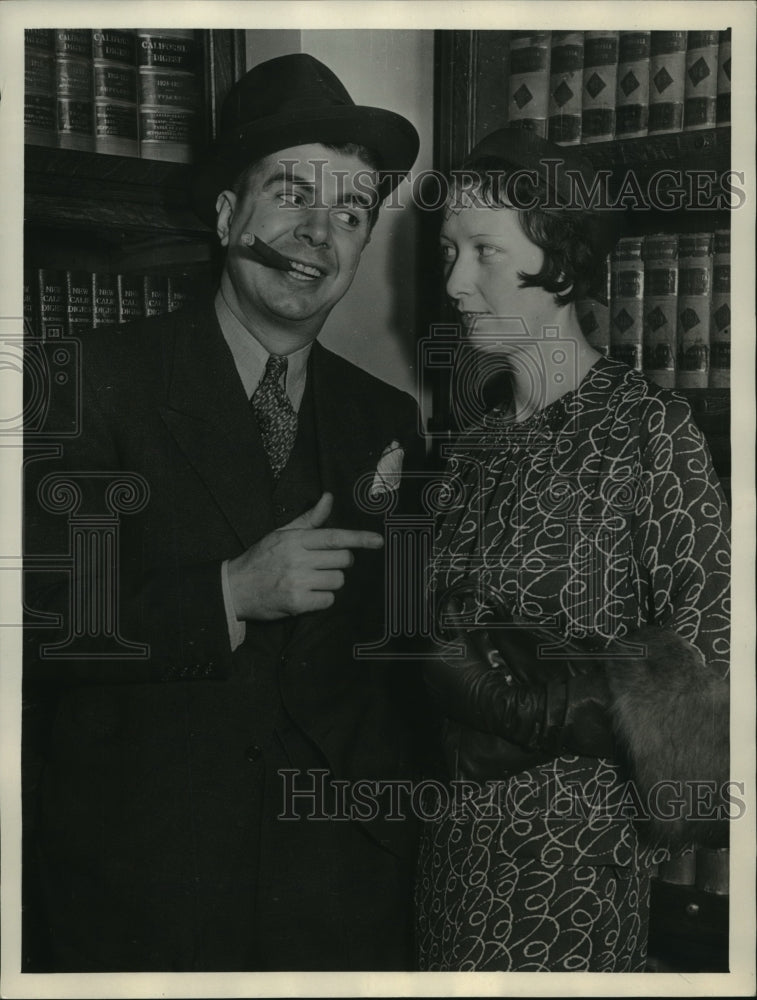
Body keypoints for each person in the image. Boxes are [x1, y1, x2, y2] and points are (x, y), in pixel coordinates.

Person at [23, 53, 427, 972]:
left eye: (351, 214)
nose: (318, 236)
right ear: (225, 216)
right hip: (144, 891)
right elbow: (35, 621)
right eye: (292, 195)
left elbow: (399, 659)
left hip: (338, 898)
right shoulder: (87, 379)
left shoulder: (385, 418)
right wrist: (228, 594)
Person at [414, 128, 730, 972]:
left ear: (560, 259)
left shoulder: (647, 432)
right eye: (449, 251)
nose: (454, 281)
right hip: (451, 858)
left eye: (484, 251)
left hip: (574, 869)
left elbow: (712, 670)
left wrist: (555, 707)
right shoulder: (470, 447)